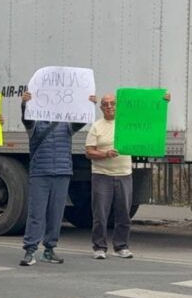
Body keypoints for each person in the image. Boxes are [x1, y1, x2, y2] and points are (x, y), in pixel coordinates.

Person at [85, 93, 170, 259]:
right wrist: (105, 154)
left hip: (124, 174)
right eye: (105, 104)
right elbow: (89, 152)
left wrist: (163, 101)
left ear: (118, 106)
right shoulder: (96, 127)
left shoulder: (127, 124)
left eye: (112, 103)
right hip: (102, 175)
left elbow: (150, 121)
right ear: (101, 108)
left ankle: (121, 246)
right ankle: (99, 247)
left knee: (123, 212)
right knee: (100, 213)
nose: (109, 106)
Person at [19, 91, 96, 266]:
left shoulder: (66, 125)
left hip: (62, 173)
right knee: (36, 214)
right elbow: (26, 119)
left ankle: (49, 249)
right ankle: (30, 250)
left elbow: (81, 119)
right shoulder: (34, 126)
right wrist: (24, 105)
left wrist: (88, 104)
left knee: (56, 214)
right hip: (40, 174)